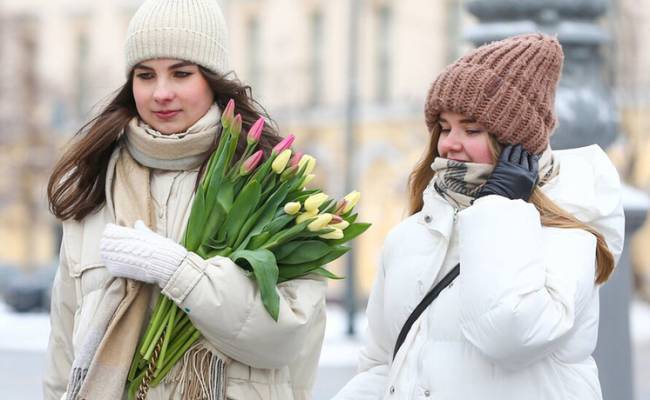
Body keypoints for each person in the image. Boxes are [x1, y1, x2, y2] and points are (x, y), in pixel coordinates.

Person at [43, 1, 326, 399]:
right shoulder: (94, 190)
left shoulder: (270, 188)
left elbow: (287, 340)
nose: (161, 93)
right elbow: (63, 353)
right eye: (145, 75)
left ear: (212, 80)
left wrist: (179, 271)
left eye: (181, 73)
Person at [333, 33, 624, 400]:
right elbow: (384, 365)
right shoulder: (410, 236)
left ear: (517, 146)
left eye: (472, 129)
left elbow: (511, 336)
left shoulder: (567, 232)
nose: (449, 143)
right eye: (444, 126)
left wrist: (498, 207)